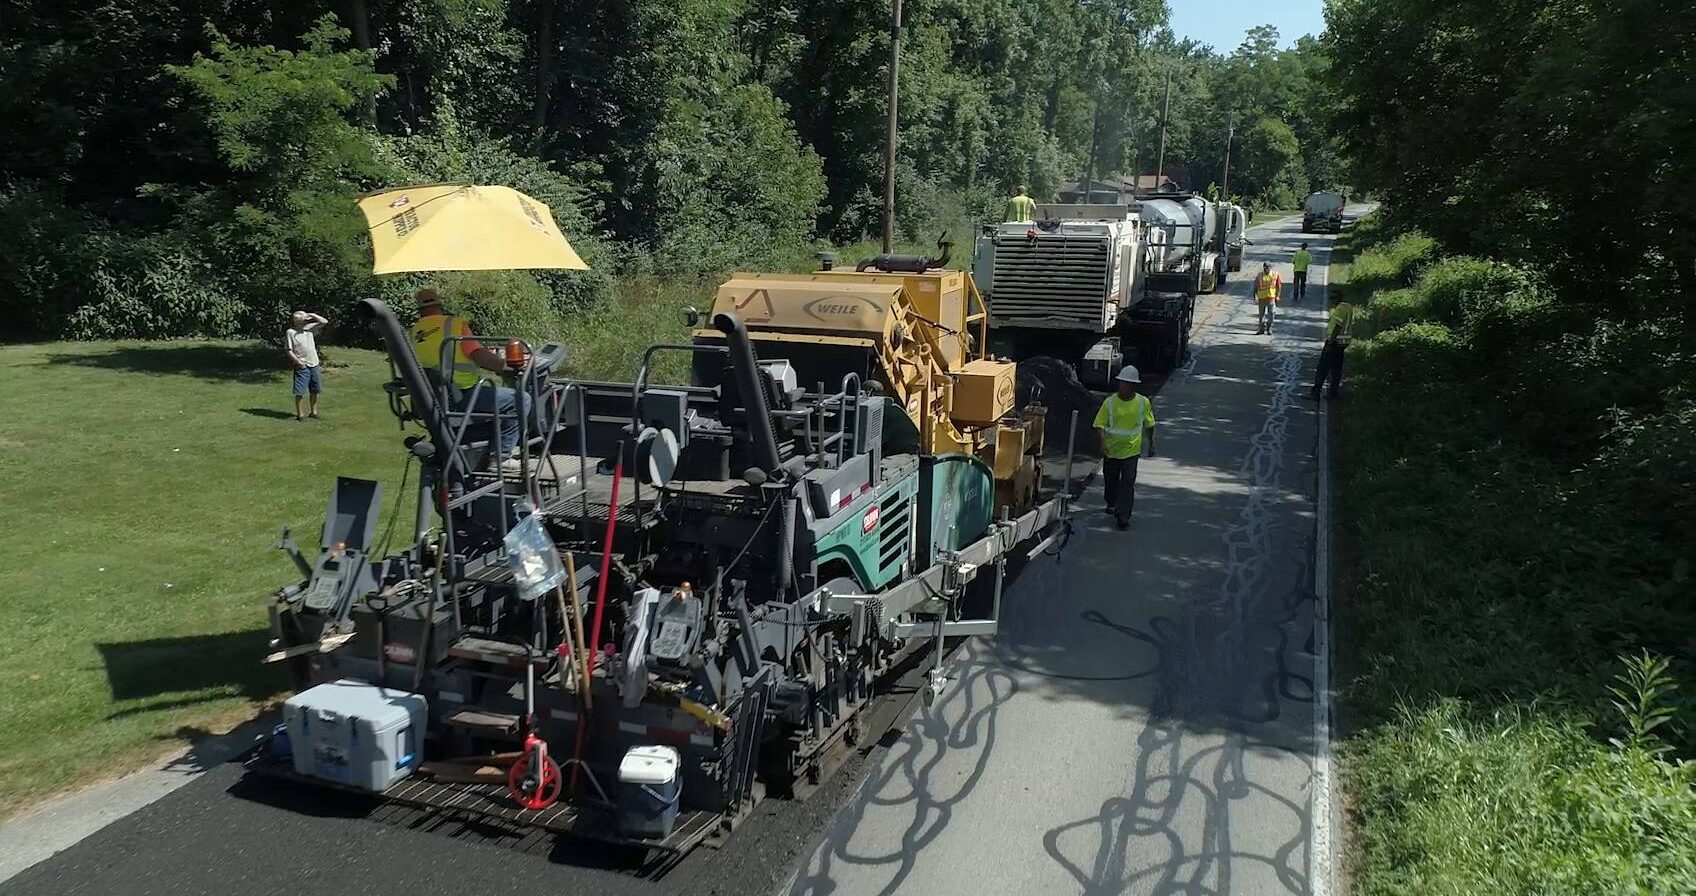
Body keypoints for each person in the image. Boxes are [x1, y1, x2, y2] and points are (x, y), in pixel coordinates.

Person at [408, 289, 532, 467]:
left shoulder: (414, 331)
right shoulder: (454, 325)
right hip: (463, 396)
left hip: (432, 400)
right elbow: (478, 354)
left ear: (419, 308)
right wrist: (505, 366)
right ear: (440, 304)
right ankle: (501, 457)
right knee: (521, 399)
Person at [1093, 365, 1156, 531]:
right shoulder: (1110, 402)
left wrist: (1151, 444)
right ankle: (1111, 502)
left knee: (1127, 483)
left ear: (1133, 385)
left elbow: (1150, 424)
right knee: (1111, 481)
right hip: (1112, 450)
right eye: (1122, 383)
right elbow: (1100, 424)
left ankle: (1123, 516)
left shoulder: (1143, 402)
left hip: (1131, 451)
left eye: (1127, 383)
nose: (1124, 386)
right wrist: (1102, 443)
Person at [285, 310, 329, 421]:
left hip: (314, 363)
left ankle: (313, 412)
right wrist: (298, 362)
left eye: (305, 320)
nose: (304, 322)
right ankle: (300, 415)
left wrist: (312, 315)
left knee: (315, 390)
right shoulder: (290, 332)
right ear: (296, 321)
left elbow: (324, 322)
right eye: (302, 320)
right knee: (300, 391)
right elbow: (289, 350)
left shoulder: (310, 329)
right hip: (302, 366)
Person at [1311, 300, 1358, 400]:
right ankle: (1333, 393)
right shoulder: (1348, 307)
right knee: (1337, 368)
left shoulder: (1340, 309)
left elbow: (1337, 326)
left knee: (1323, 368)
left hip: (1335, 342)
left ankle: (1315, 393)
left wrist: (1330, 342)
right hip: (1343, 343)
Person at [1253, 261, 1282, 335]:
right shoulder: (1259, 275)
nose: (1266, 269)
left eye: (1267, 267)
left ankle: (1269, 328)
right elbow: (1255, 286)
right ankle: (1261, 329)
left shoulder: (1275, 274)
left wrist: (1277, 296)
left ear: (1270, 267)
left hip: (1271, 298)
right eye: (1265, 268)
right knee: (1261, 315)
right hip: (1261, 298)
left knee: (1271, 314)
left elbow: (1278, 286)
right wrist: (1255, 296)